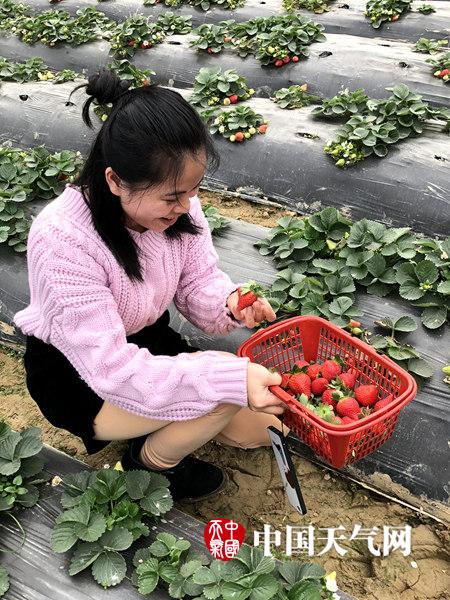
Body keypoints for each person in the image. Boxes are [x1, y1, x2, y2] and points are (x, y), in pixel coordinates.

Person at [13, 68, 288, 504]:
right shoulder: (63, 239)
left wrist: (229, 304)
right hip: (80, 375)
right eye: (172, 196)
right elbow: (112, 371)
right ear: (115, 181)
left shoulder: (180, 209)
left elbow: (198, 281)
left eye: (193, 190)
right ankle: (152, 463)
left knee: (265, 427)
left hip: (146, 340)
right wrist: (226, 378)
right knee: (224, 389)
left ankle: (161, 419)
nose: (186, 205)